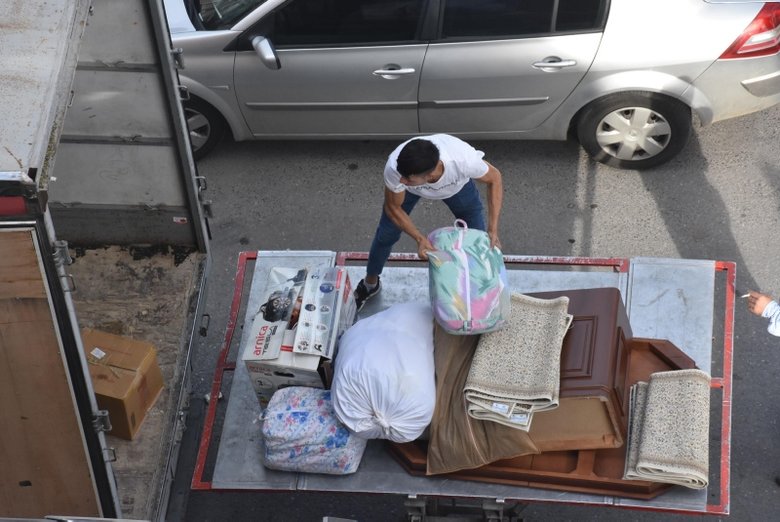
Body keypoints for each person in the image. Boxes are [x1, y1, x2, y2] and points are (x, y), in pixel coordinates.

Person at [353, 134, 503, 311]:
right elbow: (393, 208)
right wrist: (419, 238)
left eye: (408, 178)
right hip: (411, 192)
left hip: (457, 189)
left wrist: (493, 228)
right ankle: (370, 283)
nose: (401, 180)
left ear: (430, 175)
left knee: (478, 240)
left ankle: (477, 292)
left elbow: (495, 178)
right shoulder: (396, 168)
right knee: (386, 234)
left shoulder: (464, 161)